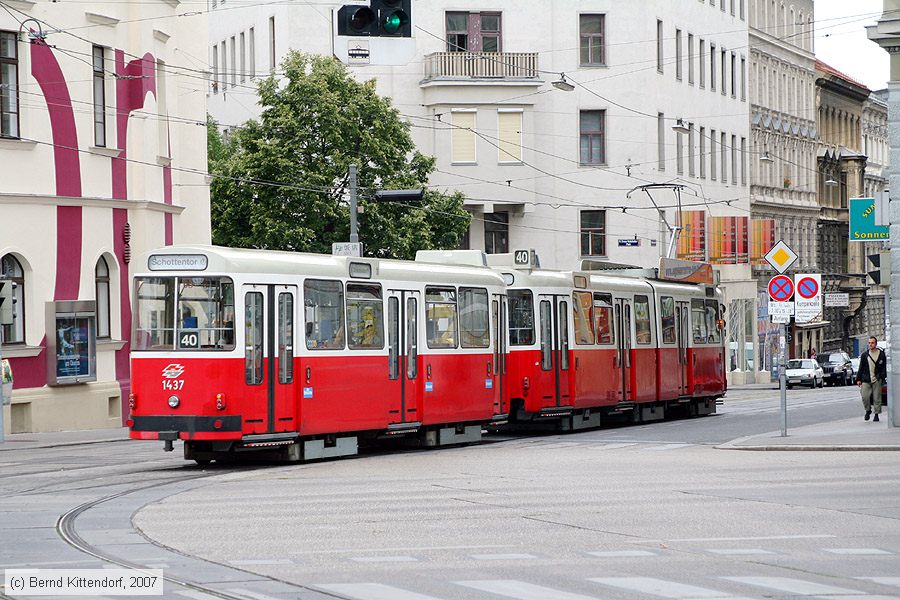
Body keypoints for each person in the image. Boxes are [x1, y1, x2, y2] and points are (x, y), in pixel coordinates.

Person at [856, 336, 887, 422]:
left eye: (872, 343)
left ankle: (876, 414)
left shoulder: (881, 354)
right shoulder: (864, 355)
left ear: (876, 344)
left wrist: (881, 377)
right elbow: (861, 367)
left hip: (877, 379)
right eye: (869, 343)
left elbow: (884, 367)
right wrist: (858, 379)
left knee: (877, 398)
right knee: (865, 396)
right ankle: (868, 410)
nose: (870, 344)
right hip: (866, 379)